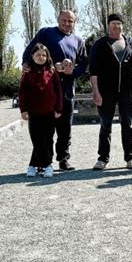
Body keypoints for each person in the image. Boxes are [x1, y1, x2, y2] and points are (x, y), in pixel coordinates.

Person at [22, 9, 87, 171]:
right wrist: (26, 64)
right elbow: (31, 50)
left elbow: (84, 64)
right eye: (64, 20)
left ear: (74, 22)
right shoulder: (46, 33)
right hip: (45, 92)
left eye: (70, 21)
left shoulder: (78, 40)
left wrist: (74, 71)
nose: (67, 24)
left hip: (66, 90)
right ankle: (44, 161)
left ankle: (63, 159)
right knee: (45, 131)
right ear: (58, 19)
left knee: (65, 128)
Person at [90, 14, 132, 171]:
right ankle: (102, 159)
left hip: (126, 91)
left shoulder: (131, 43)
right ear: (108, 25)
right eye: (113, 23)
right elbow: (93, 70)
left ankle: (130, 158)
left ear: (122, 25)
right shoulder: (100, 44)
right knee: (106, 125)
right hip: (106, 91)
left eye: (119, 23)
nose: (116, 26)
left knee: (128, 124)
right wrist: (96, 91)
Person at [19, 43, 63, 178]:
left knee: (48, 139)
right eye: (38, 55)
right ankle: (37, 164)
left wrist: (58, 108)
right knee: (36, 139)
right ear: (32, 56)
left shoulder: (51, 71)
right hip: (33, 111)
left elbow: (58, 91)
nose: (41, 57)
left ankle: (46, 165)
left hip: (49, 111)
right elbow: (22, 92)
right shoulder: (27, 73)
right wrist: (23, 109)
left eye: (44, 55)